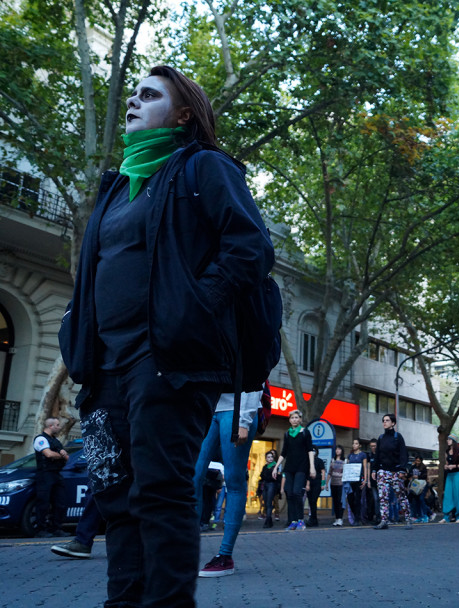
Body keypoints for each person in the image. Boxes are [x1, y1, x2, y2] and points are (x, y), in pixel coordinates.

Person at [58, 65, 275, 607]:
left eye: (149, 95)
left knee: (160, 492)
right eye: (132, 94)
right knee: (115, 497)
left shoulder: (203, 168)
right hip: (104, 367)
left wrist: (194, 310)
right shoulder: (116, 188)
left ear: (181, 115)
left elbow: (250, 248)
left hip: (168, 359)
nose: (133, 102)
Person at [195, 390, 262, 577]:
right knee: (193, 476)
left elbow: (255, 373)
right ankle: (184, 549)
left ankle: (225, 555)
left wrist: (244, 420)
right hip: (209, 409)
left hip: (236, 410)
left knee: (234, 480)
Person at [273, 410, 315, 531]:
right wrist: (276, 467)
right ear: (290, 420)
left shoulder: (305, 433)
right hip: (289, 467)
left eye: (297, 418)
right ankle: (293, 521)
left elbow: (310, 450)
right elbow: (283, 452)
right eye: (292, 418)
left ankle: (301, 520)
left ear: (300, 419)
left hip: (302, 467)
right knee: (289, 493)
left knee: (297, 492)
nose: (295, 420)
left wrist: (312, 467)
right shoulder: (287, 434)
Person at [372, 414, 412, 530]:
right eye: (383, 421)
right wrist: (374, 469)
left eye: (387, 420)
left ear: (393, 423)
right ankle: (384, 521)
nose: (384, 422)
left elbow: (403, 454)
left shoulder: (397, 437)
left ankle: (408, 519)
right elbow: (377, 455)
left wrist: (402, 469)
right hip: (382, 472)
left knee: (401, 496)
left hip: (395, 472)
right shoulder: (381, 438)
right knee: (383, 498)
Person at [33, 418, 69, 538]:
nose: (59, 427)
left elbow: (67, 457)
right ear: (50, 426)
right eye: (57, 425)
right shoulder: (41, 439)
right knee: (43, 502)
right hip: (45, 474)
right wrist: (61, 455)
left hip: (56, 474)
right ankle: (40, 529)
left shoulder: (56, 441)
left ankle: (56, 528)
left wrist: (61, 455)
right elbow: (48, 454)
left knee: (60, 502)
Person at [440, 435, 459, 523]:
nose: (447, 441)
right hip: (450, 475)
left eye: (449, 440)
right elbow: (447, 462)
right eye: (447, 439)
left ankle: (458, 516)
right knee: (448, 495)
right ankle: (446, 516)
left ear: (453, 441)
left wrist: (455, 466)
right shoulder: (447, 452)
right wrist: (446, 466)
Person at [346, 438, 368, 525]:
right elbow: (347, 467)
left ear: (359, 445)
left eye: (356, 443)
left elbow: (365, 467)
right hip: (350, 480)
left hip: (359, 479)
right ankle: (356, 515)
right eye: (353, 443)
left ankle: (357, 519)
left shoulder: (363, 455)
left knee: (357, 499)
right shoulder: (350, 456)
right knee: (350, 499)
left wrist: (365, 480)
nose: (354, 445)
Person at [305, 446, 326, 527]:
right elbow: (307, 474)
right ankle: (314, 520)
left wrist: (323, 483)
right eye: (311, 450)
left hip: (317, 482)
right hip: (309, 483)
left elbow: (323, 472)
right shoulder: (307, 461)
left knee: (314, 500)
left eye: (314, 450)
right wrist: (307, 484)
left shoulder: (319, 461)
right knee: (311, 502)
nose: (313, 452)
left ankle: (313, 519)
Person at [259, 450, 280, 528]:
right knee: (266, 502)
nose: (270, 458)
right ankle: (269, 520)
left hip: (271, 485)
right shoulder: (265, 466)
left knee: (269, 502)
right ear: (266, 458)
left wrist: (266, 476)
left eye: (271, 457)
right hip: (265, 485)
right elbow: (262, 475)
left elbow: (272, 477)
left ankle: (268, 519)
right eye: (268, 457)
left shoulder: (275, 466)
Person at [328, 444, 345, 526]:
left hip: (341, 484)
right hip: (333, 483)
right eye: (336, 449)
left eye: (339, 449)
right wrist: (327, 483)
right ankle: (336, 518)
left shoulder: (345, 460)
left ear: (342, 451)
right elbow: (329, 472)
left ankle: (340, 518)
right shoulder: (332, 460)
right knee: (335, 501)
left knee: (340, 501)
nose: (337, 451)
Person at [365, 439, 380, 524]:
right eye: (371, 446)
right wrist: (368, 481)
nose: (373, 448)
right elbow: (368, 468)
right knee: (375, 499)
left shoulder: (380, 455)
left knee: (381, 499)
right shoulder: (369, 455)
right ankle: (377, 517)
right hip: (373, 480)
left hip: (381, 480)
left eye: (374, 446)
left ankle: (381, 517)